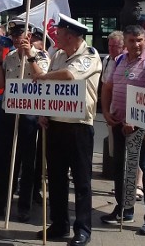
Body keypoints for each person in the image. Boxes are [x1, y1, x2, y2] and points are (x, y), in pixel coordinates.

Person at [34, 14, 101, 246]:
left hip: (79, 126)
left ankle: (82, 229)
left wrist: (42, 77)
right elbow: (50, 89)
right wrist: (43, 112)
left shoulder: (89, 55)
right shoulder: (58, 55)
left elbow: (69, 76)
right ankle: (59, 223)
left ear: (71, 36)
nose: (56, 36)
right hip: (55, 123)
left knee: (82, 181)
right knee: (55, 178)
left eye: (59, 33)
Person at [0, 20, 47, 223]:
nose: (17, 39)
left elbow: (42, 77)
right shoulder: (10, 57)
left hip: (30, 114)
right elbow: (1, 86)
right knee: (3, 160)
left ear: (30, 35)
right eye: (14, 35)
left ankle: (24, 207)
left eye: (21, 35)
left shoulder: (41, 55)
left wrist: (30, 57)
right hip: (8, 110)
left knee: (27, 162)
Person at [100, 24, 145, 234]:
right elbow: (107, 87)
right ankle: (125, 209)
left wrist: (136, 121)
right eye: (132, 41)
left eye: (140, 40)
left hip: (140, 128)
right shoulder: (119, 61)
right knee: (121, 168)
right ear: (125, 42)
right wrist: (106, 111)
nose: (136, 44)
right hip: (118, 123)